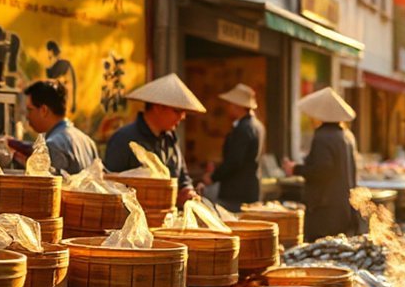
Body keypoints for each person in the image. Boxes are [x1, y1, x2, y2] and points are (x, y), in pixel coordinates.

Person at [105, 73, 206, 207]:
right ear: (158, 107)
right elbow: (109, 186)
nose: (182, 117)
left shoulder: (171, 139)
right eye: (178, 111)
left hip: (167, 219)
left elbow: (183, 177)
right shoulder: (123, 139)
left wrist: (187, 190)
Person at [281, 87, 359, 241]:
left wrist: (295, 168)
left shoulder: (323, 136)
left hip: (325, 209)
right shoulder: (347, 136)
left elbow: (322, 170)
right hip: (344, 206)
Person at [9, 80, 99, 175]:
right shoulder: (88, 142)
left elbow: (51, 187)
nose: (27, 116)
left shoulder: (53, 145)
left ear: (44, 110)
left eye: (30, 110)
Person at [203, 83, 266, 212]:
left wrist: (213, 176)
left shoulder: (243, 129)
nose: (228, 107)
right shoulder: (257, 126)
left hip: (236, 193)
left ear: (237, 106)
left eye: (230, 104)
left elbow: (234, 161)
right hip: (249, 189)